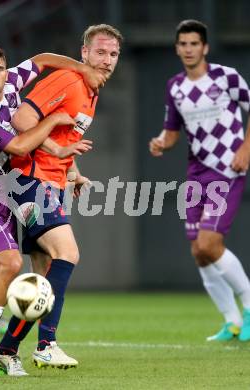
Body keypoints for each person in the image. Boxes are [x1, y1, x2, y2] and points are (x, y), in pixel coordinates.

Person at [0, 44, 106, 376]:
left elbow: (42, 60)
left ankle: (9, 348)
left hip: (8, 191)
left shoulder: (11, 84)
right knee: (10, 263)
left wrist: (81, 69)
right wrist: (53, 119)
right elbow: (21, 144)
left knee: (30, 265)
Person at [0, 24, 122, 375]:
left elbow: (59, 131)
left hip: (49, 181)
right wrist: (57, 148)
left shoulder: (92, 94)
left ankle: (29, 347)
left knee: (47, 269)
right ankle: (14, 346)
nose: (106, 60)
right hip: (29, 181)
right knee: (68, 254)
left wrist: (73, 168)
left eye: (113, 54)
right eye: (100, 52)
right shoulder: (68, 79)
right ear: (84, 53)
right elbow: (22, 119)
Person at [149, 19, 250, 342]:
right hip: (197, 173)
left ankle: (249, 306)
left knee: (210, 243)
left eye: (195, 43)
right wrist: (161, 142)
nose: (189, 49)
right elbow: (173, 131)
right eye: (183, 44)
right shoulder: (175, 86)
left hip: (227, 169)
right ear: (177, 48)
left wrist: (246, 147)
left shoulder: (226, 77)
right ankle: (232, 322)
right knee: (198, 251)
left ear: (205, 47)